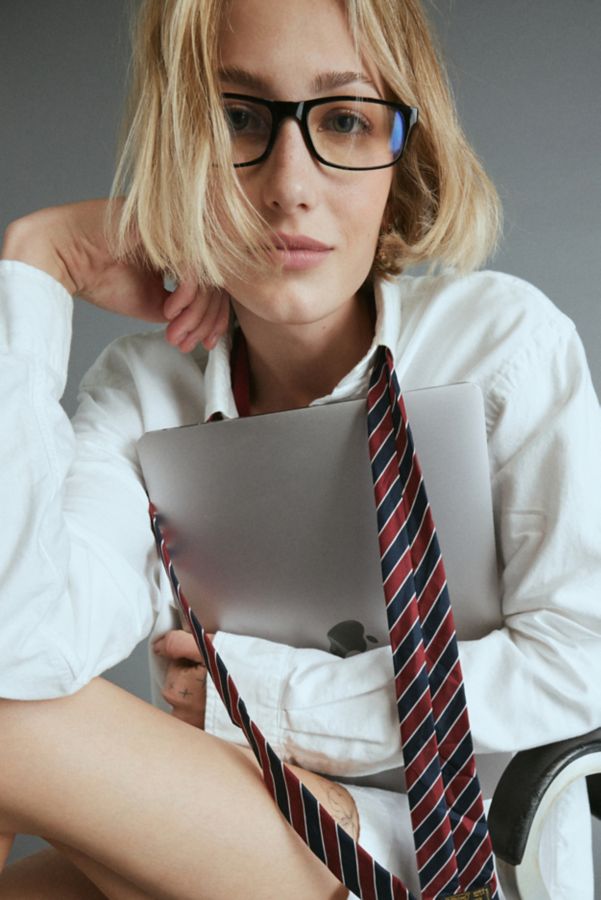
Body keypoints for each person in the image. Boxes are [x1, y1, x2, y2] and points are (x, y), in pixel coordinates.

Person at [0, 0, 600, 897]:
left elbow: (581, 660)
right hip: (242, 815)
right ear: (179, 140)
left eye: (346, 119)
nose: (289, 185)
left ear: (405, 150)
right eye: (238, 117)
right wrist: (37, 263)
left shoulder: (500, 345)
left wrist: (256, 701)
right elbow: (21, 645)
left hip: (455, 850)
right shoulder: (146, 389)